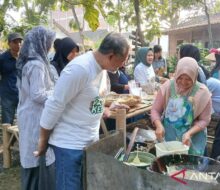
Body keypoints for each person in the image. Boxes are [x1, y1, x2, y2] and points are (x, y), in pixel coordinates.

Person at [34, 32, 129, 190]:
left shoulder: (103, 69)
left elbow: (93, 100)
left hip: (90, 142)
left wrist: (105, 109)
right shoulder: (80, 68)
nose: (124, 64)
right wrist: (43, 140)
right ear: (111, 56)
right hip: (69, 146)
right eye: (123, 59)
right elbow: (54, 104)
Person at [16, 26, 56, 190]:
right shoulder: (36, 64)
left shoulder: (29, 61)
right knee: (38, 154)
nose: (50, 46)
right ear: (41, 42)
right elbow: (37, 94)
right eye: (49, 42)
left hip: (29, 113)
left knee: (34, 154)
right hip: (35, 115)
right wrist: (57, 93)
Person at [151, 57, 212, 156]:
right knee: (167, 166)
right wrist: (159, 125)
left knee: (188, 169)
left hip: (192, 139)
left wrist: (189, 133)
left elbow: (205, 120)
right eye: (180, 78)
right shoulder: (168, 86)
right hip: (168, 137)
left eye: (188, 79)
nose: (183, 82)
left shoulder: (203, 92)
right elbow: (155, 110)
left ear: (195, 76)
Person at [0, 32, 22, 125]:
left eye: (20, 42)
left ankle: (19, 140)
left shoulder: (24, 58)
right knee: (8, 123)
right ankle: (6, 140)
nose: (18, 44)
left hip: (22, 94)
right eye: (15, 42)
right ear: (9, 43)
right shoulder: (2, 59)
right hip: (7, 95)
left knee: (22, 121)